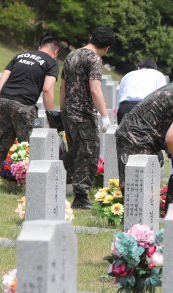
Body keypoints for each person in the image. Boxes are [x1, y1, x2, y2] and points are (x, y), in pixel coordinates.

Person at [0, 36, 60, 176]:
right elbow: (47, 89)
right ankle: (30, 181)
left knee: (0, 143)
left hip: (5, 100)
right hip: (24, 105)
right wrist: (50, 115)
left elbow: (3, 78)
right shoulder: (51, 62)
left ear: (40, 47)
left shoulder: (20, 55)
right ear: (55, 52)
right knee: (30, 144)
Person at [60, 26, 115, 209]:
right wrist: (105, 116)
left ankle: (62, 185)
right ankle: (81, 197)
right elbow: (95, 89)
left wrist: (62, 110)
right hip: (84, 114)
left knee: (74, 150)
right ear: (107, 47)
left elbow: (63, 86)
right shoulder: (94, 59)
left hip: (69, 112)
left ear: (91, 37)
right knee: (88, 154)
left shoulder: (72, 55)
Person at [116, 59, 167, 124]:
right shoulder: (159, 75)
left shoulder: (127, 75)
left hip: (125, 107)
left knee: (123, 133)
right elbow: (161, 97)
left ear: (138, 68)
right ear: (155, 69)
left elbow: (120, 96)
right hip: (146, 107)